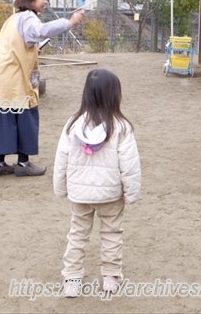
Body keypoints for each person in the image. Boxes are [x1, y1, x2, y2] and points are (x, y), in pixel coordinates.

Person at [53, 69, 141, 298]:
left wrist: (61, 188)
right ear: (115, 95)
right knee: (112, 233)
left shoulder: (73, 125)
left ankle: (72, 279)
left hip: (79, 194)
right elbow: (130, 164)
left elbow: (61, 158)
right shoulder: (121, 126)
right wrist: (131, 193)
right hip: (110, 194)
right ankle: (111, 277)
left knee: (77, 235)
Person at [0, 0, 85, 178]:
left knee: (3, 118)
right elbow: (40, 31)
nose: (46, 2)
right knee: (25, 117)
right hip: (17, 77)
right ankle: (23, 163)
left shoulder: (13, 19)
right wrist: (70, 22)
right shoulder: (28, 18)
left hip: (2, 77)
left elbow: (20, 43)